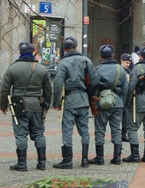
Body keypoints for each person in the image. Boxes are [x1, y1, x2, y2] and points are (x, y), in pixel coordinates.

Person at [0, 41, 52, 171]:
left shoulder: (12, 68)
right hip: (37, 105)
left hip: (19, 105)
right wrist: (46, 105)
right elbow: (48, 90)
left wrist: (3, 105)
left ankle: (22, 164)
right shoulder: (42, 69)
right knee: (39, 133)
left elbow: (4, 89)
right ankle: (41, 163)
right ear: (33, 51)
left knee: (21, 134)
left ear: (20, 52)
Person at [52, 37, 99, 169]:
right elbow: (95, 79)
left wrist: (56, 102)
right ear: (76, 46)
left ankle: (67, 160)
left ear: (65, 48)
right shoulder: (86, 60)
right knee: (84, 130)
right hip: (84, 99)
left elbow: (58, 83)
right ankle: (85, 159)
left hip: (70, 100)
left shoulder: (63, 63)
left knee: (67, 130)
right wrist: (90, 93)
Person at [89, 45, 128, 165]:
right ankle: (117, 157)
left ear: (101, 56)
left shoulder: (98, 69)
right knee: (116, 129)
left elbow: (93, 87)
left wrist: (94, 102)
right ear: (112, 55)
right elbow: (126, 89)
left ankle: (99, 157)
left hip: (102, 103)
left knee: (100, 130)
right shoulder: (120, 69)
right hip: (117, 103)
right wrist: (123, 103)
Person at [120, 53, 132, 142]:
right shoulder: (119, 71)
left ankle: (123, 134)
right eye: (126, 62)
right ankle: (116, 135)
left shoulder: (130, 71)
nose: (128, 65)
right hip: (120, 97)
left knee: (126, 118)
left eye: (129, 63)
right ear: (122, 61)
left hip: (127, 97)